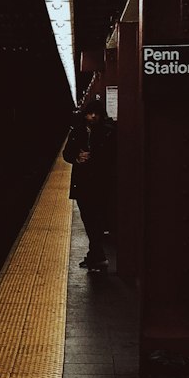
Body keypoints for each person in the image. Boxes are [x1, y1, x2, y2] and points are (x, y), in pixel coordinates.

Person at [63, 97, 116, 271]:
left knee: (97, 219)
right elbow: (66, 154)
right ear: (84, 115)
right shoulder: (76, 132)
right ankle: (96, 254)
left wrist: (96, 157)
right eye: (89, 114)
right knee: (88, 218)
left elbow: (113, 156)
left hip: (101, 183)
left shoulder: (108, 132)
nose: (93, 117)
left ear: (101, 116)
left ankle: (96, 255)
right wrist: (77, 157)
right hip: (83, 183)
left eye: (96, 114)